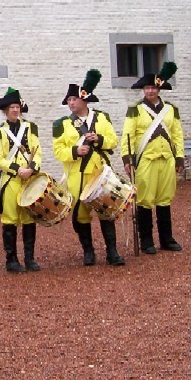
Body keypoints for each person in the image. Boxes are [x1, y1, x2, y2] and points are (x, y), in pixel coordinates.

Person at [53, 69, 125, 266]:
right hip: (76, 174)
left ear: (85, 100)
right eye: (68, 100)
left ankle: (112, 251)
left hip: (100, 172)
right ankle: (88, 251)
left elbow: (113, 141)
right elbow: (58, 150)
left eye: (74, 99)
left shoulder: (102, 118)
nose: (71, 103)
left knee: (106, 210)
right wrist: (75, 151)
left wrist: (99, 139)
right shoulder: (62, 124)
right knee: (80, 214)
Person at [121, 62, 185, 254]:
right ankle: (147, 240)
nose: (150, 91)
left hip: (166, 159)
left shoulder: (171, 109)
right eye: (147, 88)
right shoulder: (135, 109)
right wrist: (127, 158)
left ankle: (166, 238)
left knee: (165, 199)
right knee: (145, 200)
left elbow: (177, 135)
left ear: (159, 89)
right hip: (146, 160)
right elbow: (128, 136)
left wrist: (179, 157)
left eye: (153, 87)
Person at [0, 87, 42, 272]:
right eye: (12, 107)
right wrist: (17, 169)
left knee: (29, 218)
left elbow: (37, 151)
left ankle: (29, 258)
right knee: (10, 219)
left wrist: (32, 168)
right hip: (11, 180)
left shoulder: (30, 128)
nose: (15, 110)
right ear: (6, 110)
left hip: (28, 178)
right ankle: (11, 260)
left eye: (17, 106)